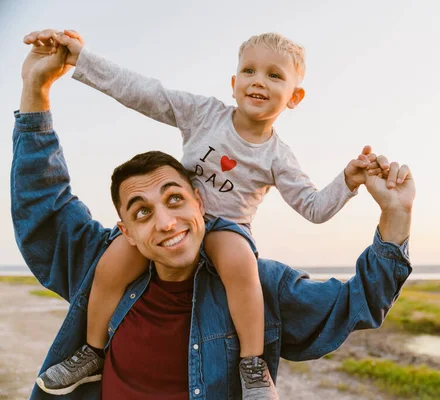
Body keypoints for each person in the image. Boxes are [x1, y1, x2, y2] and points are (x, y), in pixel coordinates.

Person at [13, 29, 415, 399]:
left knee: (240, 259)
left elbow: (315, 212)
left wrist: (355, 186)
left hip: (228, 232)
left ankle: (252, 365)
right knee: (112, 258)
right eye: (249, 71)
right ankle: (91, 351)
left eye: (275, 76)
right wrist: (79, 61)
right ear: (234, 83)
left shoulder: (278, 160)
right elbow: (143, 92)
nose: (259, 81)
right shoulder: (204, 114)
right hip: (161, 238)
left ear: (294, 97)